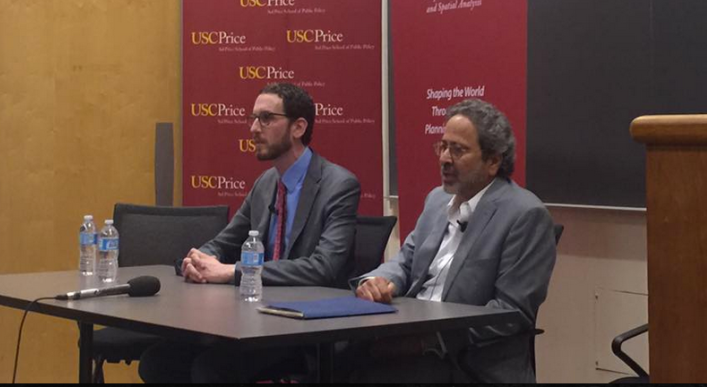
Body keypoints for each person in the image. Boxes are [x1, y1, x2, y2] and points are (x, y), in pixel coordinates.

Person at [139, 82, 361, 383]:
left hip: (303, 329)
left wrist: (233, 272)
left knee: (211, 369)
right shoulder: (266, 184)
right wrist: (200, 260)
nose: (254, 128)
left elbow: (324, 268)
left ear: (298, 127)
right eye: (253, 118)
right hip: (252, 319)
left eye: (266, 118)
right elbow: (225, 241)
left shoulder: (339, 185)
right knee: (159, 362)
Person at [350, 99, 556, 383]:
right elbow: (405, 260)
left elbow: (511, 313)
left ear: (493, 161)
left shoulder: (524, 215)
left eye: (458, 150)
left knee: (359, 371)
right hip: (406, 336)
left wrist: (431, 341)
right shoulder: (437, 200)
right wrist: (378, 281)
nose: (445, 158)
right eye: (443, 146)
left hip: (467, 362)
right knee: (332, 356)